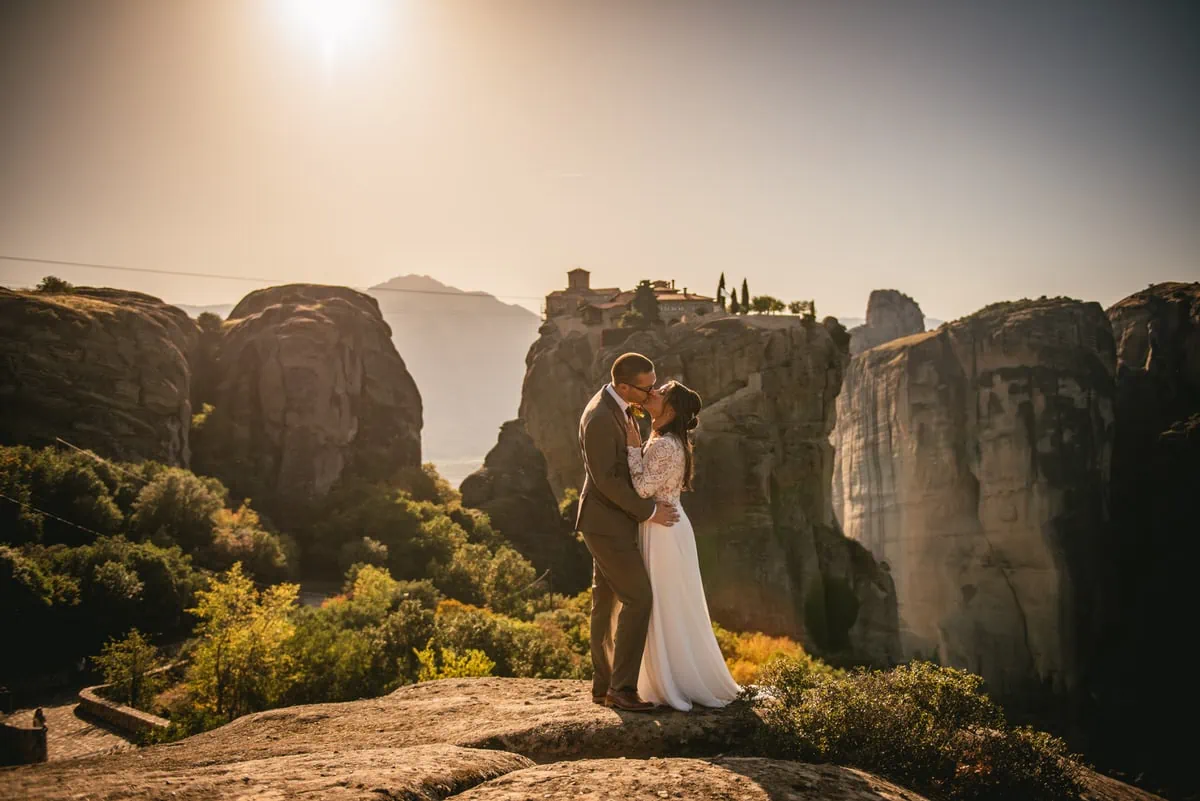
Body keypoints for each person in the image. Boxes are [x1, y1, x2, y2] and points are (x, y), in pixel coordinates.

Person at [624, 380, 741, 711]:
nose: (653, 392)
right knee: (670, 601)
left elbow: (644, 488)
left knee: (664, 602)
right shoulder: (667, 440)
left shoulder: (664, 445)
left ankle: (669, 681)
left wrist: (633, 449)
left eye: (660, 392)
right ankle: (672, 675)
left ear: (670, 410)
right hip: (666, 526)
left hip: (662, 529)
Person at [576, 352, 679, 711]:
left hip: (609, 522)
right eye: (647, 387)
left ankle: (603, 688)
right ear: (624, 387)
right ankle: (622, 689)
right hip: (606, 524)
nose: (653, 391)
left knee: (604, 605)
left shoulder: (617, 406)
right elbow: (606, 480)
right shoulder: (602, 417)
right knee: (639, 598)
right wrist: (649, 512)